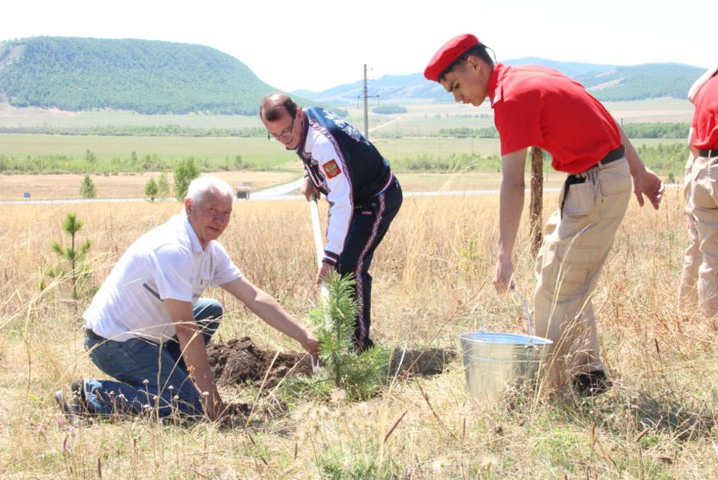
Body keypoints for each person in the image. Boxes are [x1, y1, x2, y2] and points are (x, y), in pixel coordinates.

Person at [424, 34, 664, 395]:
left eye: (456, 86)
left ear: (475, 65)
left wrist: (503, 257)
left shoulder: (511, 99)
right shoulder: (529, 75)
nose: (458, 97)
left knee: (554, 289)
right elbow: (607, 119)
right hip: (592, 181)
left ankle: (552, 387)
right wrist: (638, 172)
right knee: (560, 275)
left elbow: (513, 184)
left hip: (597, 183)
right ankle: (587, 376)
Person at [55, 176, 319, 421]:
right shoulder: (173, 249)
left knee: (209, 310)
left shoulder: (210, 251)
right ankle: (92, 395)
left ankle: (172, 381)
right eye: (212, 211)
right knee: (189, 407)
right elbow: (185, 329)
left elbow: (253, 296)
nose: (219, 220)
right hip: (113, 340)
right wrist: (209, 396)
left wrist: (305, 337)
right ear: (189, 206)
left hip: (149, 333)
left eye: (226, 213)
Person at [259, 94, 402, 351]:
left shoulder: (324, 143)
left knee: (349, 266)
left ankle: (359, 350)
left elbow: (341, 202)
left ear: (299, 114)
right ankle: (344, 340)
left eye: (286, 131)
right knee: (344, 264)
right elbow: (315, 156)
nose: (284, 139)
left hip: (376, 197)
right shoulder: (306, 124)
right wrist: (310, 175)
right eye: (275, 135)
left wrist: (329, 257)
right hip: (353, 196)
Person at [679, 66, 718, 316]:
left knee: (708, 257)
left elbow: (691, 141)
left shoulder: (705, 89)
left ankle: (706, 323)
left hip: (701, 169)